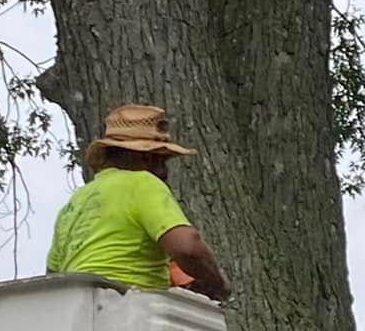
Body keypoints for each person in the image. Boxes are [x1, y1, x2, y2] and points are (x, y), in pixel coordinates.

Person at [46, 103, 231, 302]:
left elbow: (53, 276)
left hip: (77, 315)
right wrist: (217, 283)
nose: (165, 172)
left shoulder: (75, 203)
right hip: (130, 313)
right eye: (162, 160)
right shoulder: (141, 182)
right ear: (147, 156)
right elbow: (187, 248)